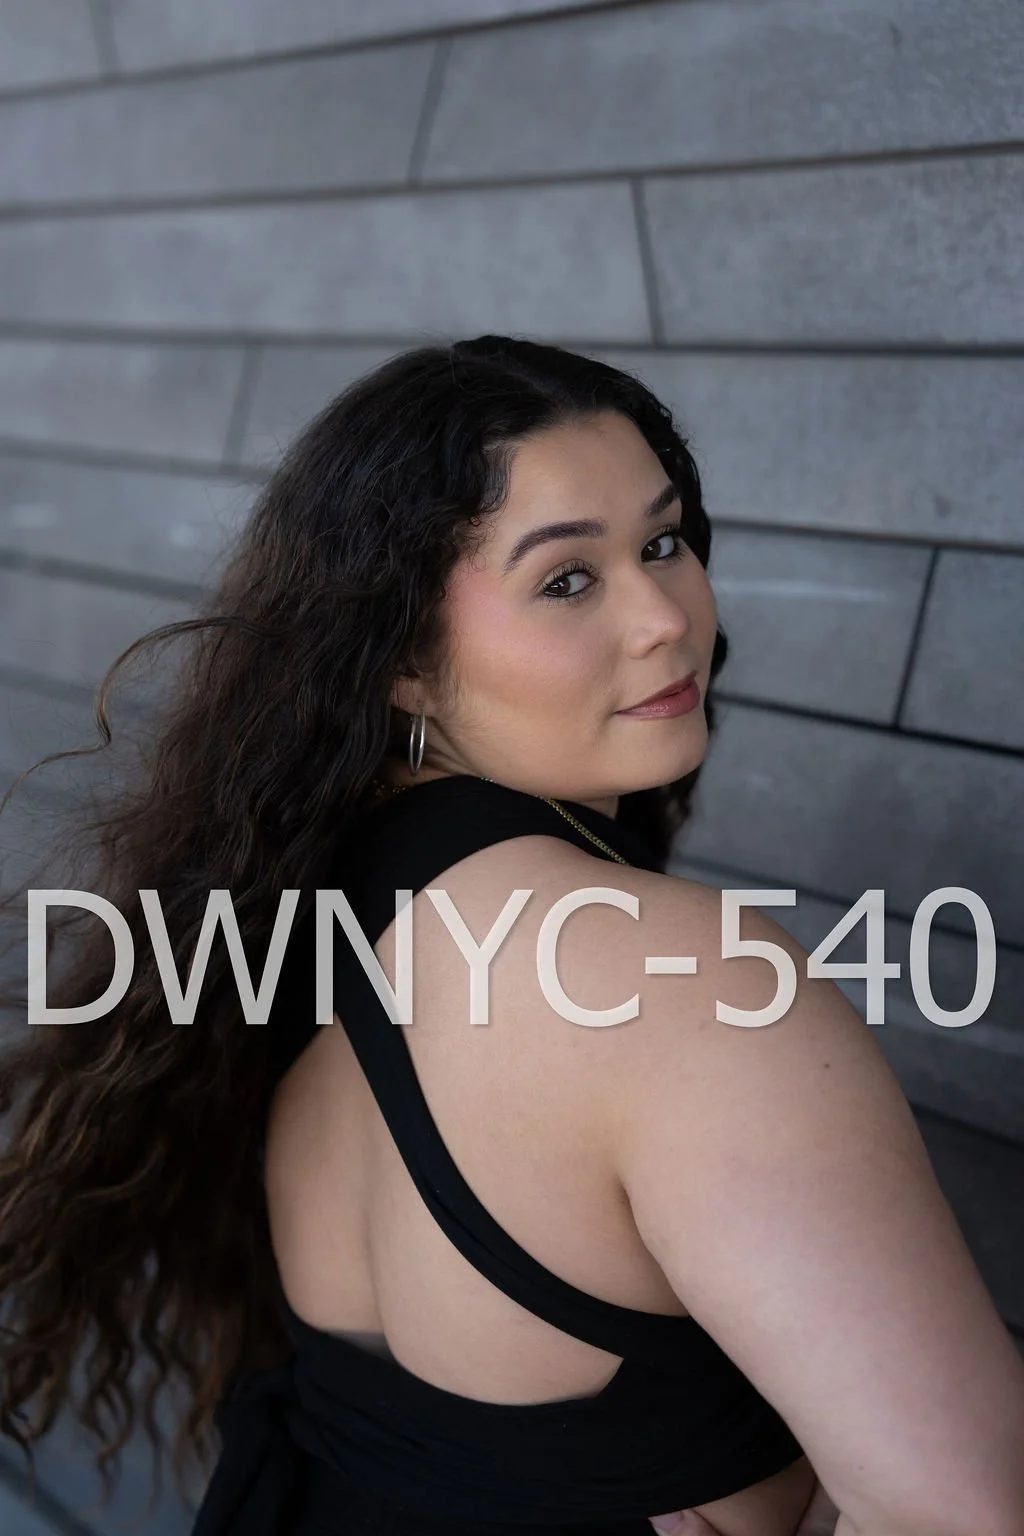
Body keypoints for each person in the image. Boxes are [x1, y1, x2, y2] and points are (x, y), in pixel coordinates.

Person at [0, 337, 1021, 1536]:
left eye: (662, 543)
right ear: (403, 660)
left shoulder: (292, 910)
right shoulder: (683, 980)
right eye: (566, 580)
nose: (664, 618)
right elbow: (966, 1514)